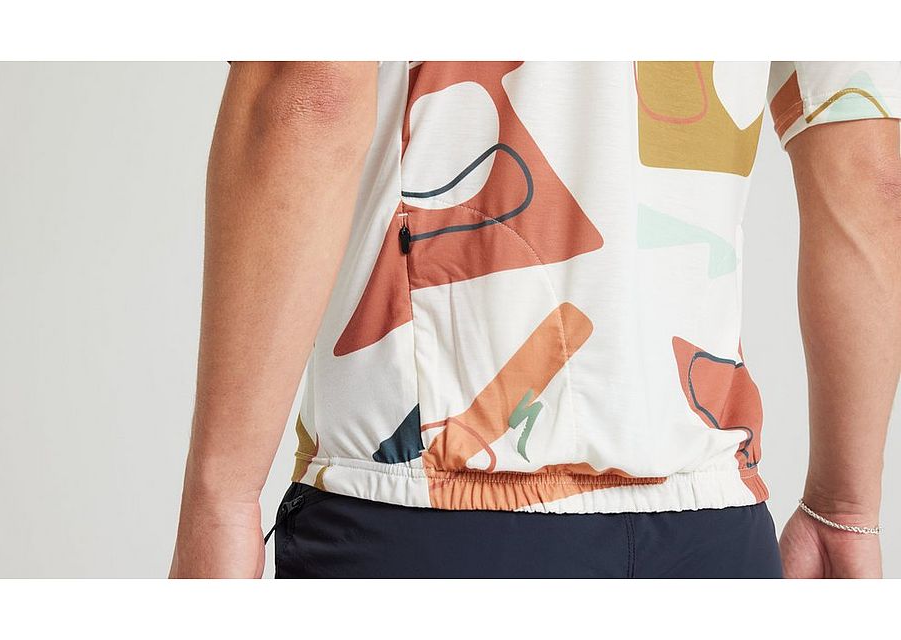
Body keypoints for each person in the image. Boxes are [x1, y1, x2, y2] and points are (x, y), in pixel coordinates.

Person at [169, 61, 901, 579]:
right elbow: (873, 166)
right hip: (712, 532)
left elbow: (309, 88)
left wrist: (221, 502)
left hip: (429, 515)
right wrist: (844, 512)